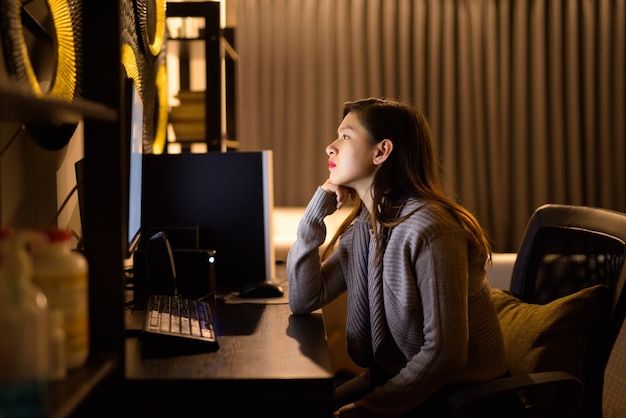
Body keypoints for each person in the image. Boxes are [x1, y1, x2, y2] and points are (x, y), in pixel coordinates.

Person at [286, 98, 508, 417]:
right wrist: (313, 216)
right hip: (394, 380)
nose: (330, 147)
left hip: (459, 397)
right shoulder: (366, 224)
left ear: (381, 151)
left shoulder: (430, 228)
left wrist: (369, 408)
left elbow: (445, 353)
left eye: (346, 136)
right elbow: (304, 298)